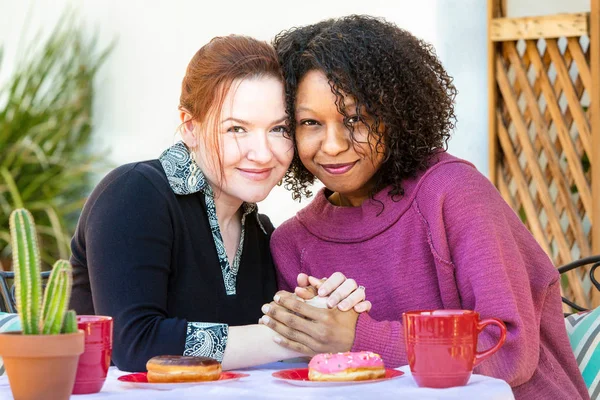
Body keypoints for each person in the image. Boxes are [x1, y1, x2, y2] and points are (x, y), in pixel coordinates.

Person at [259, 15, 589, 399]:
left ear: (396, 114)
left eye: (354, 119)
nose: (332, 144)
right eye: (310, 122)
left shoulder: (453, 194)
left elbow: (509, 352)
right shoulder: (292, 243)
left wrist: (355, 337)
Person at [69, 35, 368, 373]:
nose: (262, 153)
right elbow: (135, 343)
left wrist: (321, 311)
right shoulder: (135, 194)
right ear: (190, 127)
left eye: (279, 129)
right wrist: (302, 335)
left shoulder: (260, 232)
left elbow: (244, 348)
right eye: (237, 129)